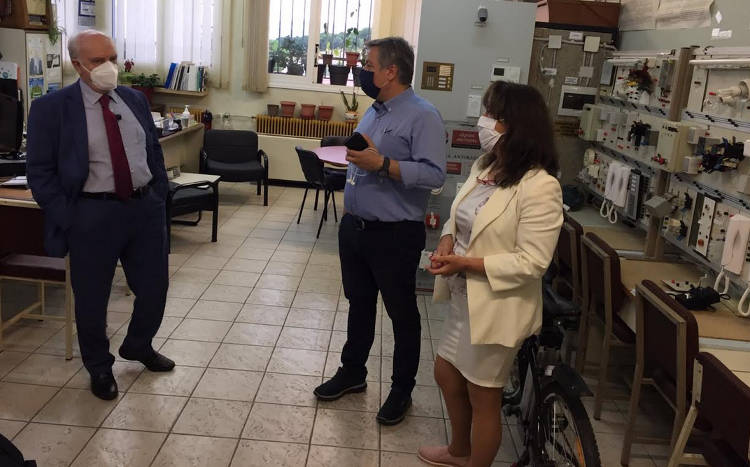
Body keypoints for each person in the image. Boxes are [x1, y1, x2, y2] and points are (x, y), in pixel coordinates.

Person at [418, 81, 563, 467]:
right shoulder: (485, 166)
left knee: (483, 394)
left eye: (493, 115)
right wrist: (447, 239)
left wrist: (466, 264)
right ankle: (459, 451)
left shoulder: (541, 186)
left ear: (517, 125)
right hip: (465, 300)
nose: (483, 121)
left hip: (499, 306)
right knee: (447, 374)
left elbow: (533, 262)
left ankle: (473, 460)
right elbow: (459, 214)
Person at [26, 30, 174, 401]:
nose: (109, 66)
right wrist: (70, 217)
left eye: (112, 57)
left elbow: (152, 151)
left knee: (154, 288)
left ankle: (138, 344)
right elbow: (39, 173)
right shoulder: (52, 109)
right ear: (77, 65)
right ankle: (99, 366)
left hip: (144, 209)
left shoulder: (134, 99)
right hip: (92, 214)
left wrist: (158, 194)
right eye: (97, 61)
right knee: (92, 299)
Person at [313, 36, 446, 425]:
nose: (362, 72)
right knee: (359, 303)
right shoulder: (374, 111)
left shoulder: (423, 116)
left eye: (368, 66)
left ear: (391, 71)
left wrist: (383, 164)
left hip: (395, 234)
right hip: (355, 228)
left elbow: (435, 175)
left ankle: (402, 389)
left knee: (401, 314)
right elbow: (365, 157)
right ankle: (353, 372)